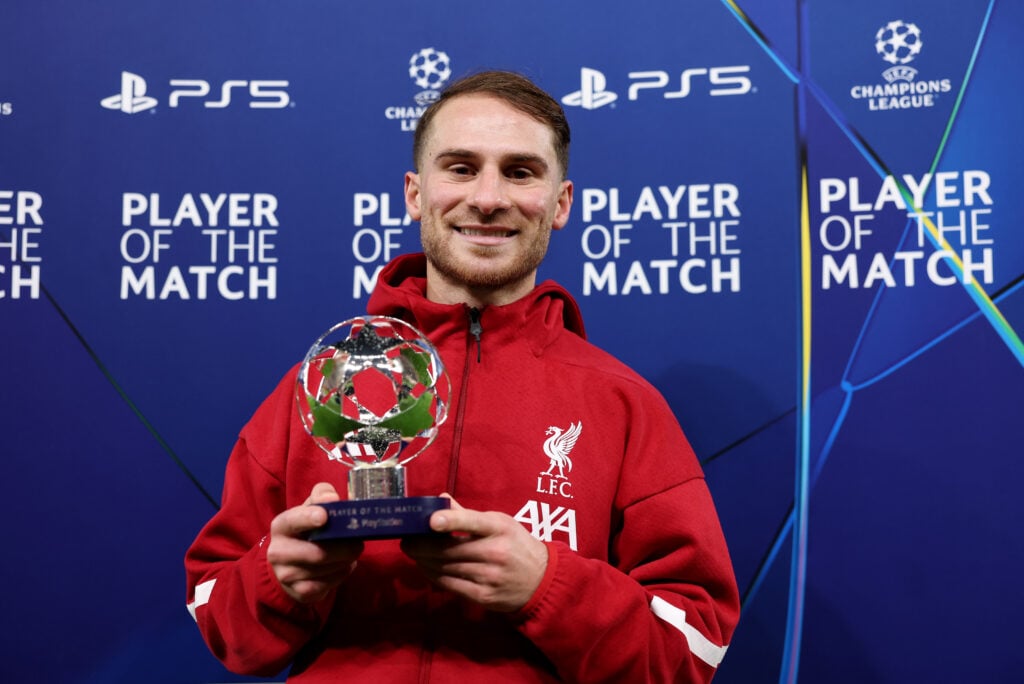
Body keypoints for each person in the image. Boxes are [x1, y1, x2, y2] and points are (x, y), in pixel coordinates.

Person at [185, 70, 740, 683]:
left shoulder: (624, 404)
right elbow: (219, 621)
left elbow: (692, 653)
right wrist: (278, 579)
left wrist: (548, 586)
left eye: (520, 172)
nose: (488, 197)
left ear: (560, 204)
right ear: (415, 193)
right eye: (460, 167)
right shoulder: (316, 389)